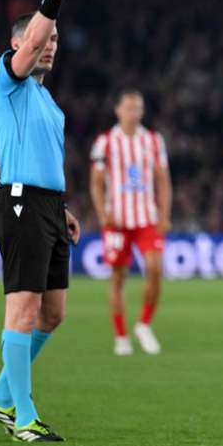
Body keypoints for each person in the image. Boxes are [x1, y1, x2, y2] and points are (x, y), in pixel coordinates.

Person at [0, 0, 80, 442]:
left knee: (53, 312)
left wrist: (64, 209)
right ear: (18, 45)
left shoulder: (46, 100)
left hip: (48, 208)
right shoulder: (8, 82)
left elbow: (46, 161)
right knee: (21, 310)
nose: (50, 46)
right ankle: (23, 415)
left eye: (56, 41)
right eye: (43, 39)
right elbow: (36, 34)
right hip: (19, 206)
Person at [90, 90, 171, 355]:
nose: (133, 113)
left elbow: (162, 181)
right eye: (129, 108)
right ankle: (121, 336)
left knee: (155, 269)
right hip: (118, 219)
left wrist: (164, 214)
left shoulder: (154, 141)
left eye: (138, 108)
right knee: (118, 276)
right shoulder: (105, 143)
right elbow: (96, 183)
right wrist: (103, 215)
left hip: (146, 216)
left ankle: (144, 324)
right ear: (118, 110)